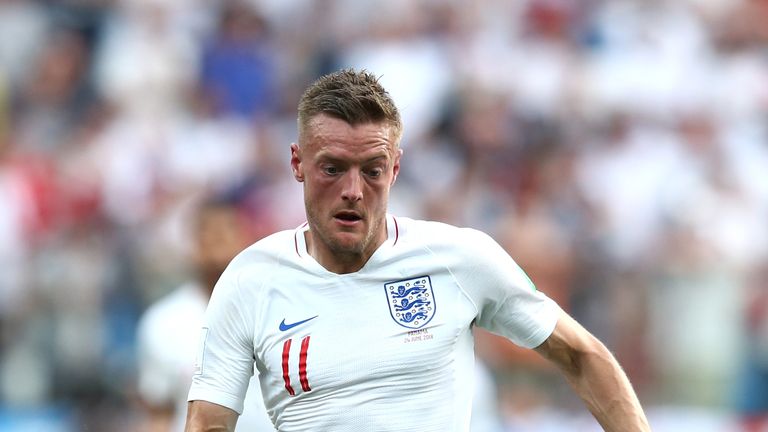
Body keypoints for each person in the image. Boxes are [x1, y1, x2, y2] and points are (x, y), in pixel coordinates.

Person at [184, 69, 651, 431]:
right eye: (332, 168)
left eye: (372, 170)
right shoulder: (251, 280)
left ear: (396, 168)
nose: (352, 189)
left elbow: (581, 354)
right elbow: (208, 423)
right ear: (297, 163)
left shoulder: (459, 258)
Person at [137, 197, 275, 431]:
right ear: (191, 244)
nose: (216, 242)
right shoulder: (163, 321)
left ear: (246, 238)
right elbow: (159, 414)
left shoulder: (277, 309)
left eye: (226, 231)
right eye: (207, 233)